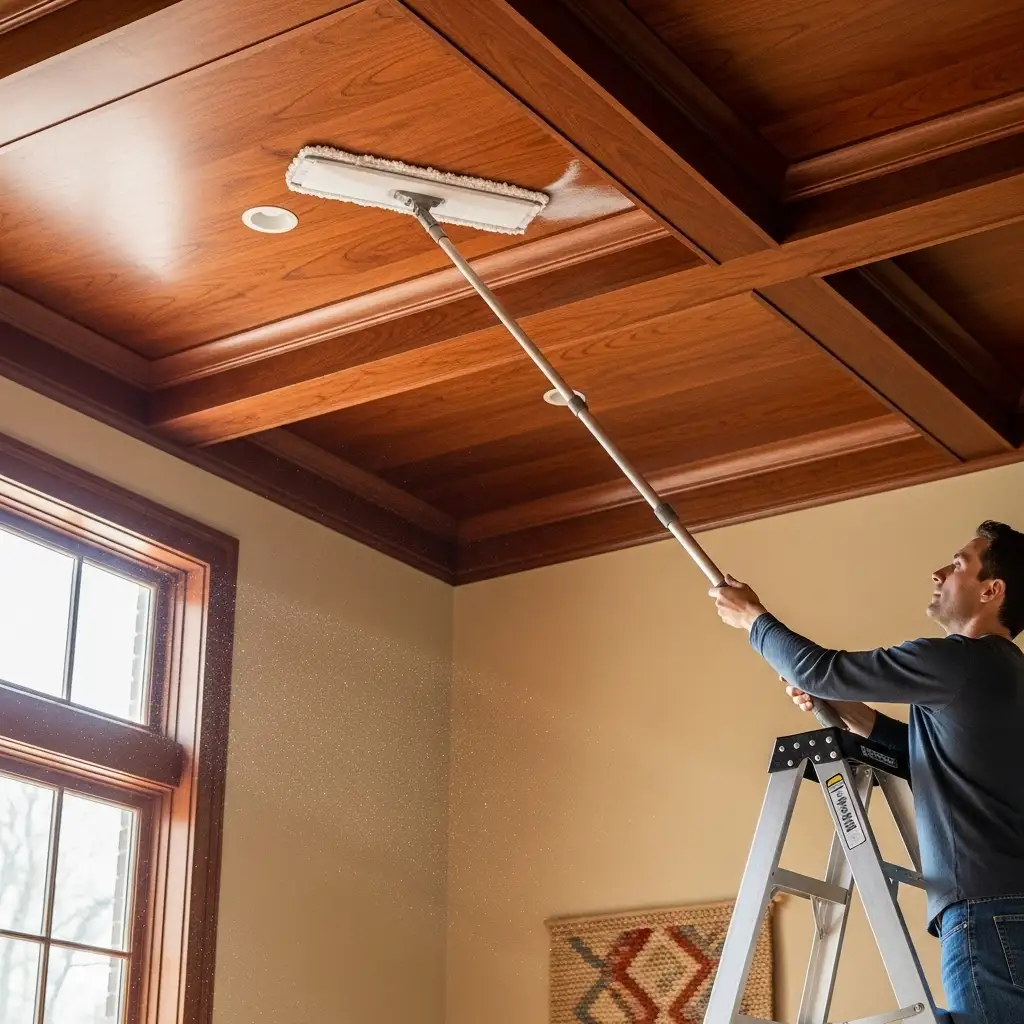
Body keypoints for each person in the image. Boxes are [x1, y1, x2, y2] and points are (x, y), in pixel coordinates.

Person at [710, 520, 1024, 1023]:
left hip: (987, 908)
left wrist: (753, 618)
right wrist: (850, 710)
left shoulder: (957, 661)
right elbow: (934, 758)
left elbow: (821, 669)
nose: (938, 573)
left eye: (958, 564)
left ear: (992, 590)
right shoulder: (1003, 672)